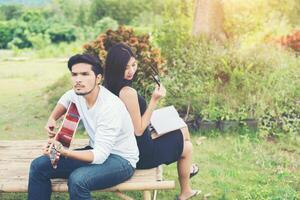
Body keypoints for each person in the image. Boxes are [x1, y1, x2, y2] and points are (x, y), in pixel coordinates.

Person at [28, 53, 139, 200]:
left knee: (79, 179)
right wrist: (52, 118)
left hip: (121, 160)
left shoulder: (110, 107)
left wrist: (64, 151)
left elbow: (99, 156)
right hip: (96, 150)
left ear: (98, 79)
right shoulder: (78, 93)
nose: (78, 79)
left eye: (85, 74)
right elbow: (66, 98)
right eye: (74, 74)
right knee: (38, 165)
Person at [104, 43, 200, 200]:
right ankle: (185, 190)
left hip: (127, 143)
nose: (131, 71)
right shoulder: (127, 92)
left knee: (181, 127)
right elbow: (139, 130)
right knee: (187, 147)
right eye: (125, 67)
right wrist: (154, 100)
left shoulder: (109, 88)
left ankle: (187, 176)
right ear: (115, 67)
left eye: (133, 65)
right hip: (141, 154)